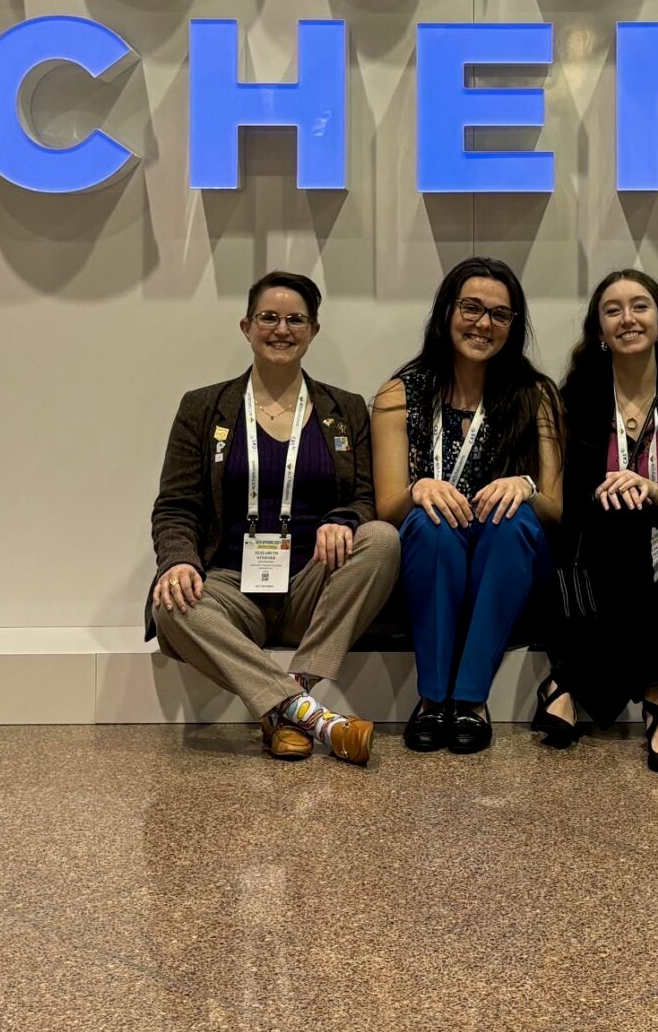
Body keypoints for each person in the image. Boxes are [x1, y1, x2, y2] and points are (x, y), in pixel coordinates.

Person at [148, 272, 396, 765]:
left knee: (383, 539)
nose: (281, 329)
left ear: (314, 331)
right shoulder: (203, 408)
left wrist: (344, 519)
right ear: (246, 326)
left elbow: (368, 498)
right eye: (269, 317)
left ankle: (287, 703)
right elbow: (176, 505)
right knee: (170, 605)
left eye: (295, 320)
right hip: (232, 588)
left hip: (313, 584)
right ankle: (308, 712)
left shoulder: (344, 409)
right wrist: (178, 560)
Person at [535, 269, 658, 779]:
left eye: (640, 306)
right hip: (600, 554)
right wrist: (617, 494)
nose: (628, 318)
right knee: (618, 506)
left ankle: (570, 679)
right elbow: (568, 504)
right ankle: (657, 695)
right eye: (613, 309)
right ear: (598, 332)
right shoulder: (574, 400)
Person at [372, 257, 563, 754]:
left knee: (511, 517)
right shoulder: (398, 395)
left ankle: (470, 698)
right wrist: (417, 490)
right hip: (431, 567)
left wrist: (525, 485)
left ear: (513, 326)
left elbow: (555, 509)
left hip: (512, 569)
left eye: (500, 315)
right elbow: (386, 509)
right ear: (446, 313)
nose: (483, 324)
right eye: (472, 308)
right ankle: (432, 698)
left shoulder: (536, 395)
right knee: (430, 522)